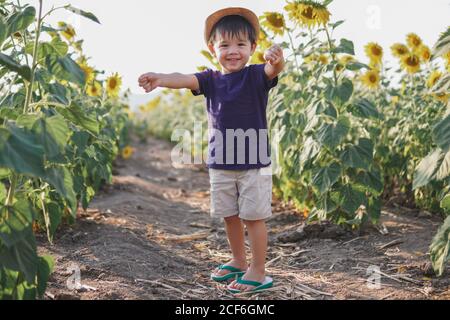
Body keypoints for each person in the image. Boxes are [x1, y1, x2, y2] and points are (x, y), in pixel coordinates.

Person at [138, 7, 285, 293]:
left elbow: (273, 70)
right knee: (229, 215)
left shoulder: (256, 76)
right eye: (225, 45)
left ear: (253, 48)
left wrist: (277, 60)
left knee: (253, 217)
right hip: (220, 163)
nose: (233, 51)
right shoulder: (210, 80)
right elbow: (183, 78)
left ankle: (259, 270)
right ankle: (239, 260)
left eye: (241, 45)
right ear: (212, 48)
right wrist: (159, 78)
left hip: (253, 163)